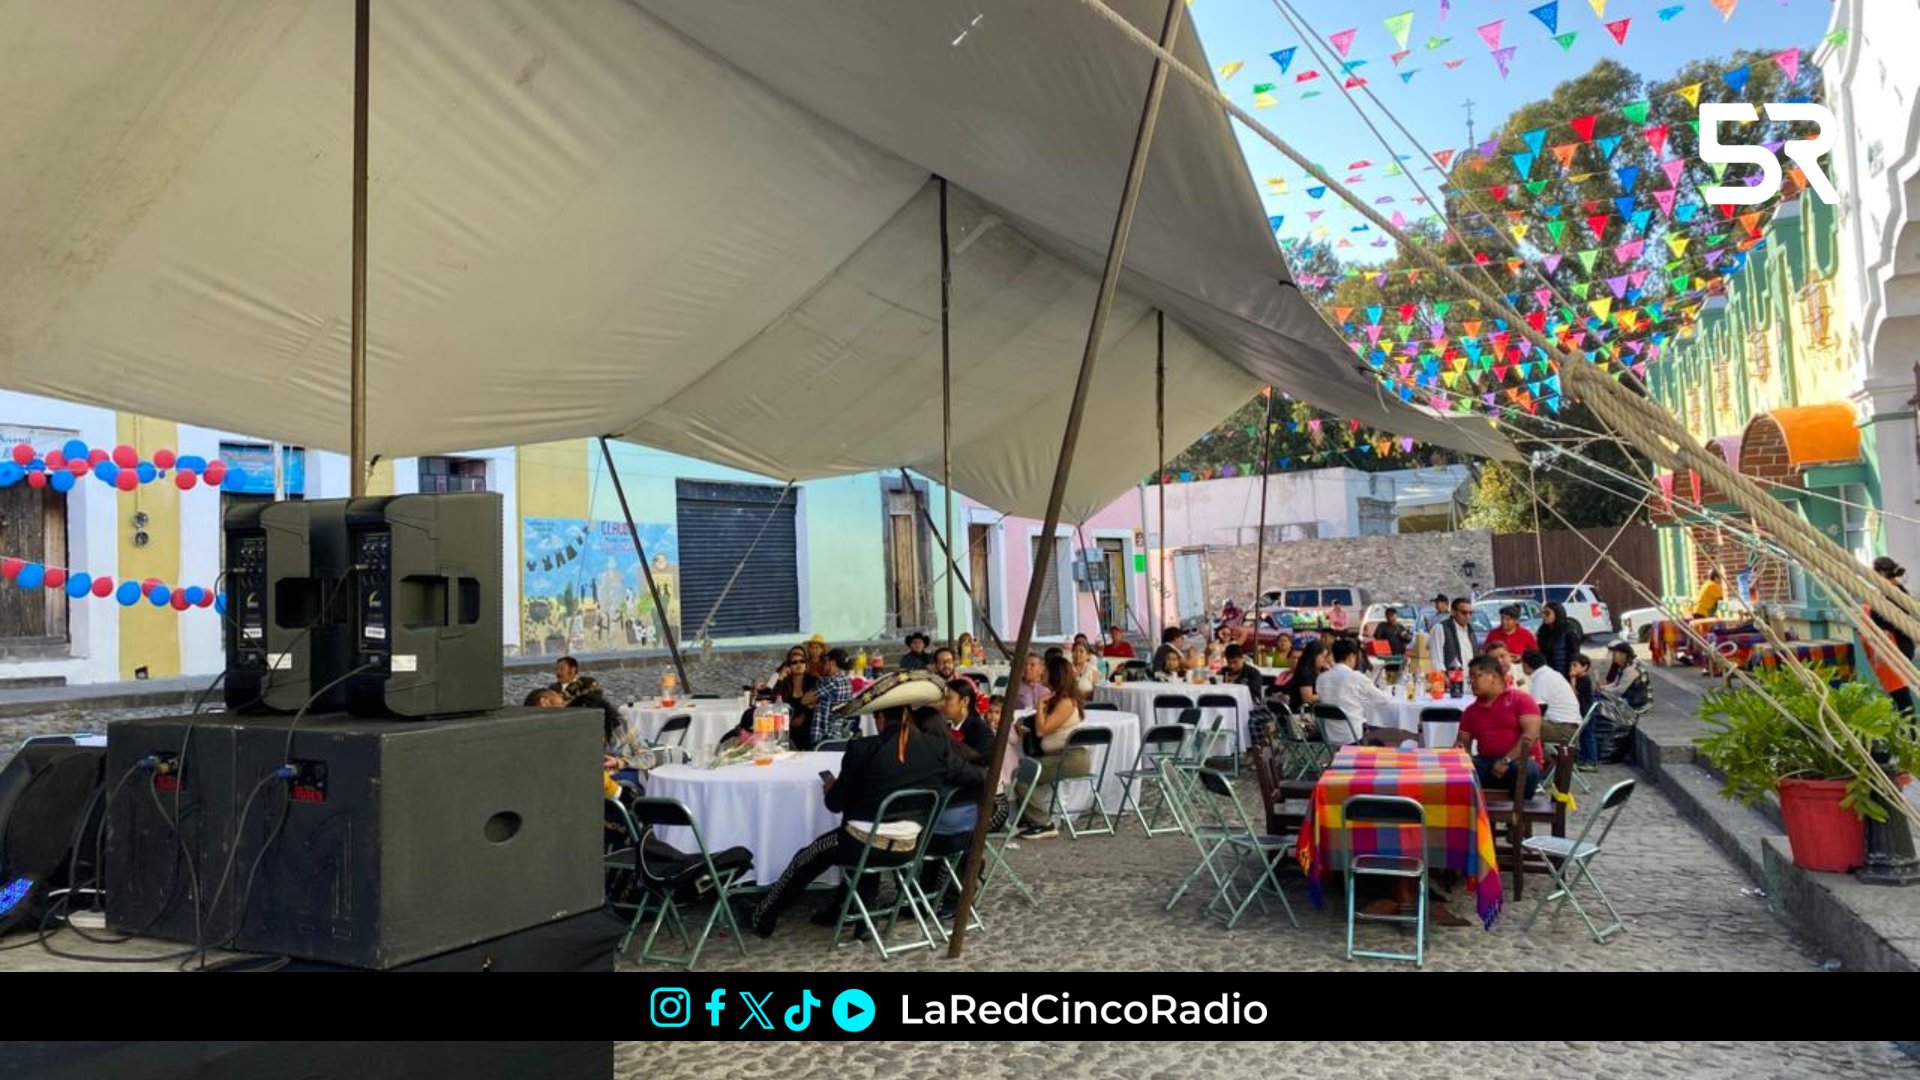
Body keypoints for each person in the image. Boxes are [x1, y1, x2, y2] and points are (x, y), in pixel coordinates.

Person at [743, 672, 984, 937]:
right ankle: (862, 922)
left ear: (880, 719)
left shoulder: (862, 749)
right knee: (864, 834)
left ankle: (763, 913)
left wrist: (831, 788)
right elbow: (978, 777)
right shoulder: (937, 748)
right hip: (910, 846)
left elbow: (835, 805)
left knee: (809, 856)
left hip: (864, 843)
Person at [1015, 653, 1090, 839]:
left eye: (1046, 670)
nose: (1043, 673)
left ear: (1055, 674)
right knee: (1026, 768)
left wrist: (1040, 703)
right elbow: (1038, 721)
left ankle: (1043, 823)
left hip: (1069, 758)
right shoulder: (1057, 697)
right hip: (1058, 755)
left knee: (1022, 777)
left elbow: (1042, 731)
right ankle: (1030, 817)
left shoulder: (1066, 702)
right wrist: (1022, 721)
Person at [1455, 654, 1544, 800]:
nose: (1471, 682)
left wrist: (1506, 761)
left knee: (1526, 770)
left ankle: (1517, 818)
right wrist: (1460, 756)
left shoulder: (1521, 700)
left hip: (1520, 761)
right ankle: (1474, 816)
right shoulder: (1470, 711)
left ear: (1494, 677)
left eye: (1477, 676)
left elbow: (1531, 736)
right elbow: (1462, 745)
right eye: (1470, 677)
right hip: (1487, 763)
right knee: (1460, 771)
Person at [1866, 556, 1916, 719]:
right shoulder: (1888, 593)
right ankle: (1907, 731)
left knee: (1900, 693)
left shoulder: (1897, 594)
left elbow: (1895, 622)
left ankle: (1911, 735)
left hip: (1899, 646)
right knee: (1897, 693)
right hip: (1895, 644)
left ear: (1880, 573)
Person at [1316, 637, 1393, 740]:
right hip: (1352, 736)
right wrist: (1391, 691)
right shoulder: (1356, 677)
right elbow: (1383, 699)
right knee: (1381, 730)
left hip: (1329, 736)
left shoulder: (1321, 678)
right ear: (1351, 656)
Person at [1519, 648, 1580, 732]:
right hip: (1569, 725)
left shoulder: (1541, 679)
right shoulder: (1551, 674)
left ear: (1525, 665)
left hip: (1562, 728)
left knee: (1518, 726)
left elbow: (1537, 711)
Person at [771, 646, 819, 750]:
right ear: (789, 666)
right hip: (788, 725)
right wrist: (781, 677)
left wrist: (803, 716)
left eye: (802, 661)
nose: (799, 664)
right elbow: (774, 700)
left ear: (806, 664)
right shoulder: (784, 683)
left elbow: (816, 703)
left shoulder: (813, 680)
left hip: (809, 723)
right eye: (794, 662)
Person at [806, 648, 856, 747]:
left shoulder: (831, 681)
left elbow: (804, 700)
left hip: (825, 737)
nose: (823, 665)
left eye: (825, 662)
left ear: (832, 663)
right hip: (839, 735)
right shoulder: (846, 680)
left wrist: (817, 682)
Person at [1427, 596, 1478, 679]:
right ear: (1453, 612)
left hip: (1469, 685)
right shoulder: (1440, 628)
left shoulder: (1471, 631)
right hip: (1450, 685)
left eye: (1470, 613)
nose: (1468, 616)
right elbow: (1437, 663)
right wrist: (1448, 684)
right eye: (1464, 613)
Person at [1535, 602, 1585, 678]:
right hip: (1547, 673)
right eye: (1543, 613)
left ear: (1557, 614)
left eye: (1547, 613)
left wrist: (1573, 675)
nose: (1543, 616)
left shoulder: (1568, 631)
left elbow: (1575, 655)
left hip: (1564, 674)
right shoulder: (1543, 630)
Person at [1598, 640, 1649, 711]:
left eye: (1615, 654)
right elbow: (1616, 683)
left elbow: (1619, 690)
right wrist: (1603, 688)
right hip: (1629, 697)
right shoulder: (1623, 666)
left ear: (1623, 655)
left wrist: (1603, 690)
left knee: (1600, 703)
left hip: (1634, 700)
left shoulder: (1630, 669)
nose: (1613, 656)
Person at [1284, 640, 1331, 714]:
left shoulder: (1318, 671)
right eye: (1322, 656)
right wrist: (1326, 695)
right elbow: (1307, 699)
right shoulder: (1305, 672)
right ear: (1314, 656)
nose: (1324, 660)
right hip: (1302, 714)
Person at [1569, 654, 1598, 768]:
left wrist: (1572, 679)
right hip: (1580, 712)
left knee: (1588, 736)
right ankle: (1584, 759)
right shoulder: (1578, 678)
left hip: (1586, 712)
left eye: (1575, 665)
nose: (1572, 668)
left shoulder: (1584, 679)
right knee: (1582, 736)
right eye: (1571, 665)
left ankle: (1592, 760)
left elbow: (1574, 693)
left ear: (1584, 667)